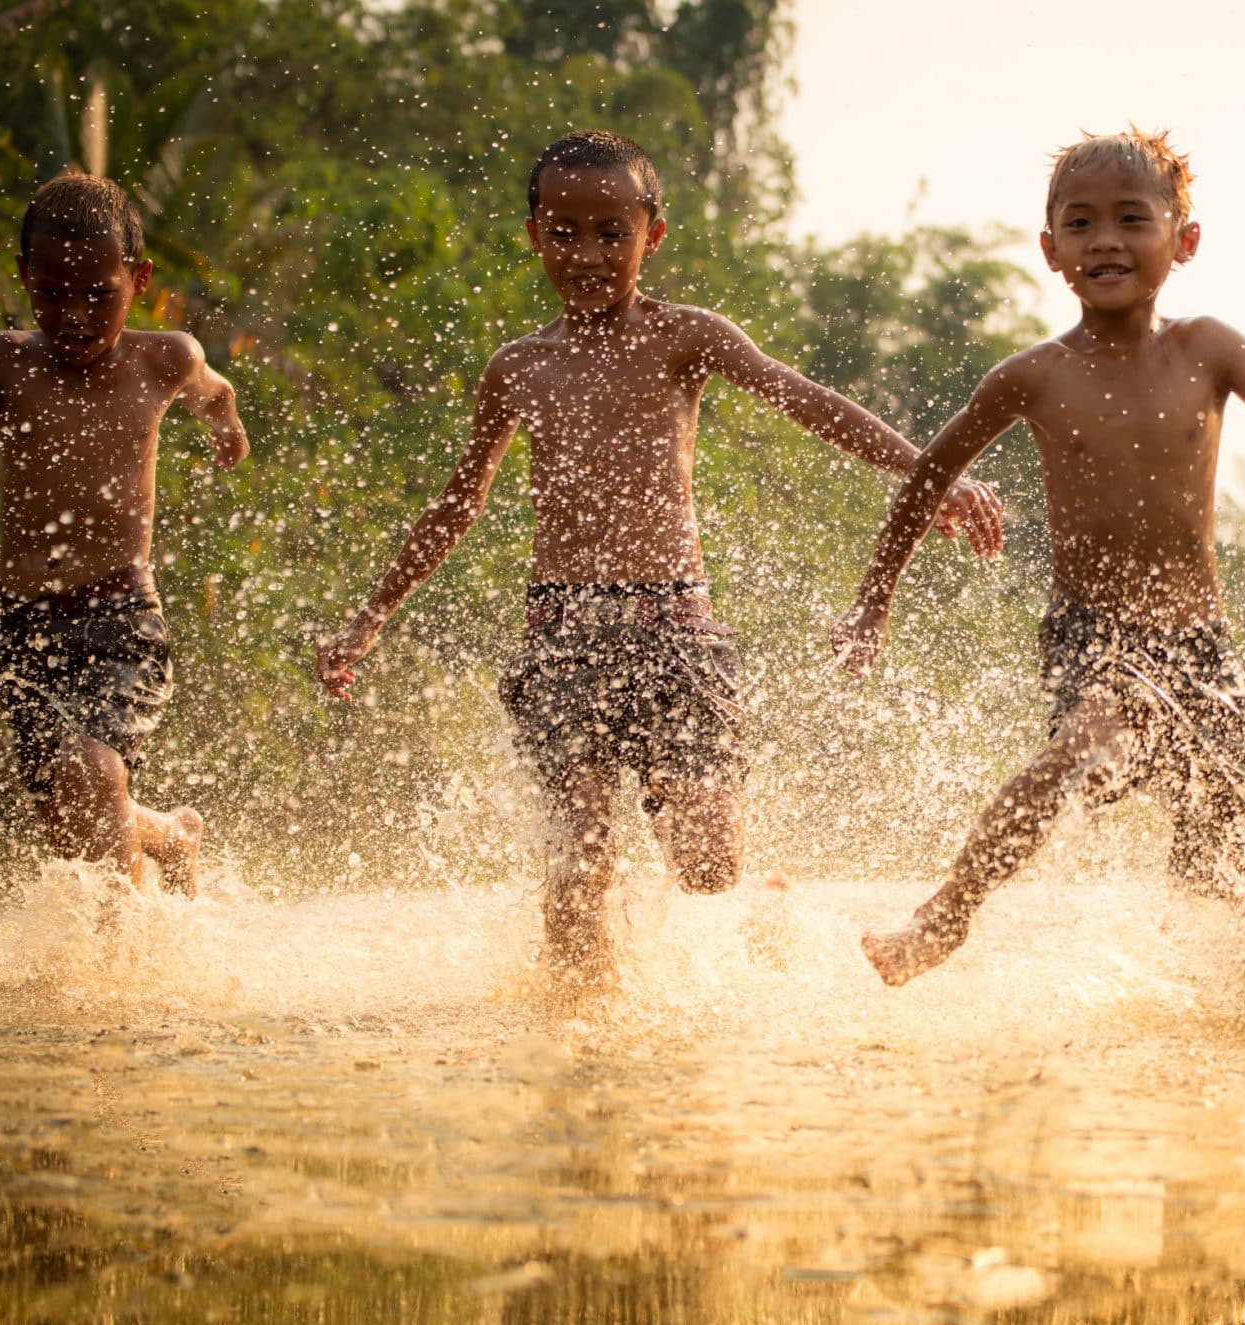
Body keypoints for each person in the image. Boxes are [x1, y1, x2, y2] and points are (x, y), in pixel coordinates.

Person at [315, 130, 1002, 985]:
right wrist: (370, 617)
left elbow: (805, 399)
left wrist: (929, 477)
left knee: (708, 868)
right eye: (564, 233)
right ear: (533, 235)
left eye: (613, 232)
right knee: (578, 863)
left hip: (674, 631)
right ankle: (579, 1048)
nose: (589, 254)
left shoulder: (687, 338)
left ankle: (762, 898)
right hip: (560, 635)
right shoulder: (520, 367)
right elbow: (459, 504)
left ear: (654, 233)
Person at [829, 128, 1245, 986]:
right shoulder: (1032, 376)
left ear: (1183, 241)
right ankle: (947, 913)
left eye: (1132, 219)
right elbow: (930, 473)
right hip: (1095, 636)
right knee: (1090, 741)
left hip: (1202, 644)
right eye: (1080, 224)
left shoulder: (1209, 350)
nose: (1106, 240)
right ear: (1052, 251)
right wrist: (873, 598)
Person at [0, 172, 248, 896]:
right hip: (22, 627)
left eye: (98, 294)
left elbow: (215, 390)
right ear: (23, 277)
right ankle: (170, 835)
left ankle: (122, 964)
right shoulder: (7, 360)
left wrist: (227, 426)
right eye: (50, 292)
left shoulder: (164, 357)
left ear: (139, 278)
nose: (72, 315)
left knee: (93, 774)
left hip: (120, 617)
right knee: (72, 816)